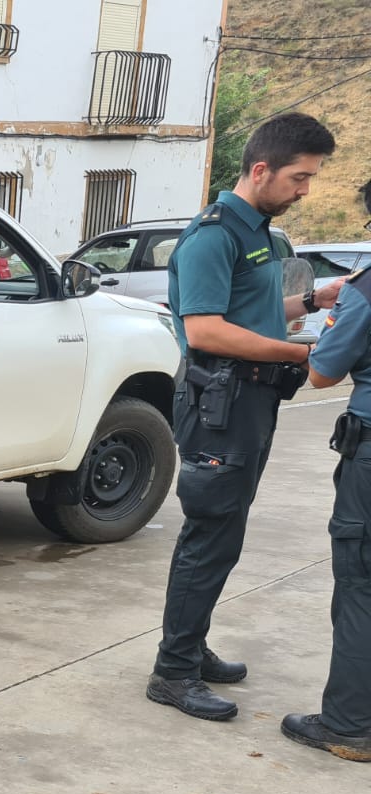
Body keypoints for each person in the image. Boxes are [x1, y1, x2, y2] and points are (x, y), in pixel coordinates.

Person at [146, 112, 344, 721]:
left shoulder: (255, 229)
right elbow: (205, 330)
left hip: (248, 401)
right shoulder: (214, 234)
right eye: (299, 178)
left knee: (224, 532)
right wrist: (304, 350)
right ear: (260, 170)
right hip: (218, 404)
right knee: (209, 534)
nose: (305, 190)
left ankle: (190, 645)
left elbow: (247, 313)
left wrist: (315, 300)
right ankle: (172, 674)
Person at [278, 179, 371, 763]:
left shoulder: (365, 293)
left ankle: (348, 725)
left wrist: (326, 331)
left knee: (360, 585)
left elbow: (322, 375)